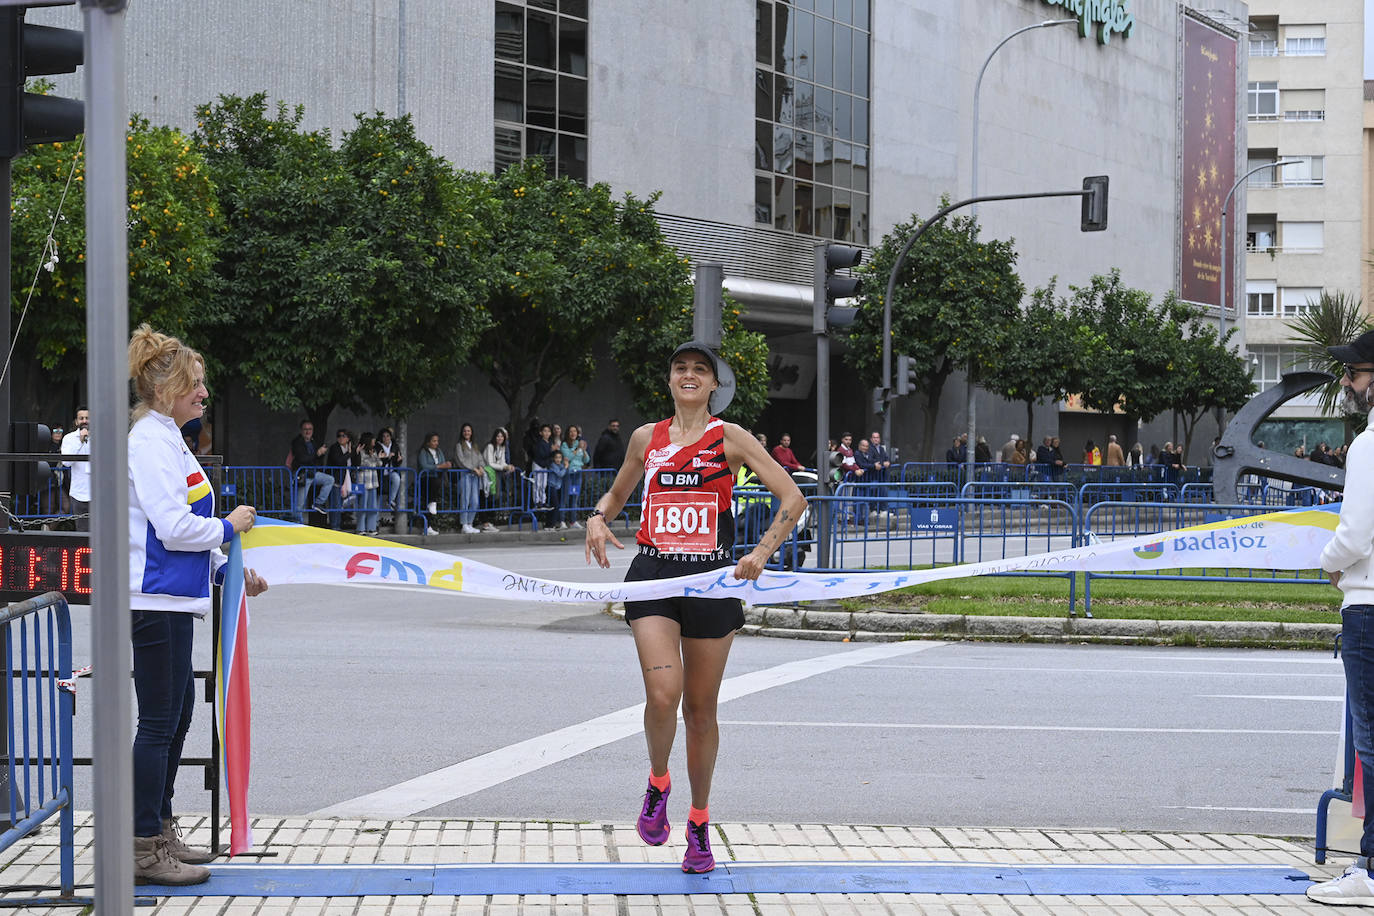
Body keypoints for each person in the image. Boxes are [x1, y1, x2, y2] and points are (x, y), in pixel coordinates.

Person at [585, 342, 805, 875]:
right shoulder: (646, 438)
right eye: (680, 368)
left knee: (701, 711)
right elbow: (617, 495)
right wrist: (597, 517)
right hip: (654, 578)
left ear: (713, 385)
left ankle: (699, 823)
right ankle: (658, 782)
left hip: (711, 583)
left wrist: (760, 553)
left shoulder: (731, 437)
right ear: (670, 380)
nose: (689, 375)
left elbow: (794, 498)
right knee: (664, 695)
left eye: (699, 370)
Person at [126, 325, 267, 886]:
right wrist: (228, 527)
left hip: (173, 598)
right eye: (196, 385)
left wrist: (229, 569)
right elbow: (173, 527)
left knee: (177, 714)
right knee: (160, 721)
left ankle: (157, 830)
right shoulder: (150, 441)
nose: (205, 394)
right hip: (155, 599)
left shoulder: (168, 436)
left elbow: (186, 532)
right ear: (168, 391)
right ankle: (143, 845)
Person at [1308, 332, 1374, 906]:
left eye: (1354, 373)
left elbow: (1354, 534)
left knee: (1371, 743)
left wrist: (1327, 561)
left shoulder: (1369, 445)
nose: (1348, 383)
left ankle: (1370, 869)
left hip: (1369, 605)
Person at [290, 420, 333, 522]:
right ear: (301, 430)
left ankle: (318, 503)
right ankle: (295, 525)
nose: (308, 431)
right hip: (302, 474)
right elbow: (302, 458)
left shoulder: (313, 442)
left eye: (310, 429)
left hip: (312, 473)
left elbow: (316, 459)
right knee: (299, 504)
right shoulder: (297, 442)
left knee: (329, 480)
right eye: (305, 429)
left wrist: (321, 454)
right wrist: (317, 453)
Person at [60, 406, 91, 531]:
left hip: (99, 493)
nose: (84, 421)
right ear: (76, 421)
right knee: (82, 533)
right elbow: (66, 462)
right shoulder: (69, 438)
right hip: (79, 493)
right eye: (81, 418)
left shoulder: (101, 437)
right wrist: (80, 441)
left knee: (102, 533)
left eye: (87, 418)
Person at [454, 423, 486, 534]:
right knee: (465, 500)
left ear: (471, 432)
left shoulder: (475, 446)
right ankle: (464, 524)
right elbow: (461, 461)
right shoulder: (459, 445)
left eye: (468, 431)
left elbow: (480, 459)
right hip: (465, 475)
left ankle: (470, 523)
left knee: (475, 501)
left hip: (475, 476)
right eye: (464, 431)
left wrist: (481, 467)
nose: (466, 433)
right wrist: (473, 469)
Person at [483, 427, 517, 531]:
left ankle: (490, 521)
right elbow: (490, 463)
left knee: (495, 496)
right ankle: (486, 522)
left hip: (496, 473)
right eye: (498, 436)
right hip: (487, 473)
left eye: (502, 436)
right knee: (488, 496)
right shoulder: (490, 446)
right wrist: (504, 467)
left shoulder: (502, 447)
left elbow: (502, 462)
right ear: (494, 437)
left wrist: (508, 466)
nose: (500, 438)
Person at [416, 432, 451, 532]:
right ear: (428, 442)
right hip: (426, 478)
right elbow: (424, 466)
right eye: (434, 441)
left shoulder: (439, 451)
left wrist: (446, 465)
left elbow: (443, 462)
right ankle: (426, 526)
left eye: (437, 441)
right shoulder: (423, 452)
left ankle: (429, 526)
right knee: (427, 501)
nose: (436, 443)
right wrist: (438, 466)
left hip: (437, 479)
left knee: (430, 504)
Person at [325, 429, 357, 531]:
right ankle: (335, 526)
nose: (341, 438)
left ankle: (341, 523)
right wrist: (348, 453)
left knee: (344, 503)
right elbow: (338, 461)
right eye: (339, 436)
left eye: (343, 436)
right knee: (335, 504)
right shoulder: (334, 448)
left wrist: (356, 452)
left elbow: (356, 463)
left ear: (348, 438)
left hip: (347, 479)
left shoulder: (350, 448)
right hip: (336, 479)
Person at [354, 432, 382, 535]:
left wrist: (376, 457)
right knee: (362, 506)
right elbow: (361, 464)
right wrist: (371, 459)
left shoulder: (373, 451)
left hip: (373, 482)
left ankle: (371, 528)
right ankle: (360, 528)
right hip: (362, 482)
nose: (374, 441)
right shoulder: (360, 451)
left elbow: (379, 464)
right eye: (373, 439)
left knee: (372, 506)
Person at [377, 427, 404, 523]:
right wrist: (386, 458)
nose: (386, 438)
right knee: (377, 495)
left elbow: (397, 459)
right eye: (384, 436)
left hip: (391, 471)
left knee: (396, 478)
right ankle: (376, 521)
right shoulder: (378, 446)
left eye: (388, 436)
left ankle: (390, 500)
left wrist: (399, 460)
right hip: (380, 474)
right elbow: (379, 460)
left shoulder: (394, 446)